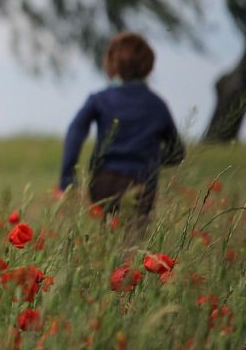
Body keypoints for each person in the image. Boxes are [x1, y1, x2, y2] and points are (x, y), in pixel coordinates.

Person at [57, 32, 185, 221]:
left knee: (107, 237)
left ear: (111, 63)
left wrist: (67, 179)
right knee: (134, 242)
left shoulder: (99, 100)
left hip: (104, 181)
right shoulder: (157, 105)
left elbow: (75, 133)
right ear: (148, 66)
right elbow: (177, 152)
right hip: (142, 183)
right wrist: (150, 161)